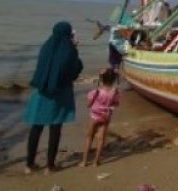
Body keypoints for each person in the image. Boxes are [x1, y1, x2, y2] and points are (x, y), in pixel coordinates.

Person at [24, 21, 83, 174]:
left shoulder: (46, 46)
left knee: (36, 127)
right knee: (55, 127)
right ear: (69, 34)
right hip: (59, 92)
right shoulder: (69, 50)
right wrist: (75, 48)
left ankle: (29, 165)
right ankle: (50, 166)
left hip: (41, 91)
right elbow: (75, 70)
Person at [80, 68, 120, 167]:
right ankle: (96, 162)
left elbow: (89, 104)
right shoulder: (115, 92)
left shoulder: (96, 92)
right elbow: (116, 103)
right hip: (106, 116)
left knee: (89, 137)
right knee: (101, 139)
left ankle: (84, 161)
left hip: (95, 116)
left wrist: (90, 104)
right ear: (114, 79)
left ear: (101, 79)